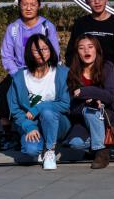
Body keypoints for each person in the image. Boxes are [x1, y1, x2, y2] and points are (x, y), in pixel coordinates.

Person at [0, 0, 61, 151]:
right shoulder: (13, 28)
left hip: (42, 72)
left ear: (39, 5)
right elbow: (7, 55)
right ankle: (8, 132)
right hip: (19, 72)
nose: (29, 8)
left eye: (33, 4)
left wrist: (42, 71)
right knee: (3, 89)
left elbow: (54, 53)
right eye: (25, 4)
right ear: (19, 6)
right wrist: (18, 75)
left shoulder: (47, 27)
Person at [6, 33, 70, 170]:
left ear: (50, 50)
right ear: (29, 53)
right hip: (33, 123)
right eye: (36, 50)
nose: (41, 53)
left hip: (58, 122)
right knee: (31, 150)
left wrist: (38, 108)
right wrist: (29, 127)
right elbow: (15, 109)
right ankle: (41, 146)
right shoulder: (19, 77)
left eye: (45, 49)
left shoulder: (62, 73)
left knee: (47, 112)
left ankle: (50, 150)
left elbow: (65, 104)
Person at [65, 35, 114, 169]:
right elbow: (71, 104)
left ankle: (101, 151)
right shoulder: (72, 71)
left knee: (92, 111)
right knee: (75, 144)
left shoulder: (107, 66)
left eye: (90, 47)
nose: (86, 51)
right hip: (81, 119)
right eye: (81, 48)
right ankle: (98, 144)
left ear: (96, 49)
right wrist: (87, 103)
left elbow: (109, 96)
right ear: (77, 52)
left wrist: (85, 92)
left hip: (103, 115)